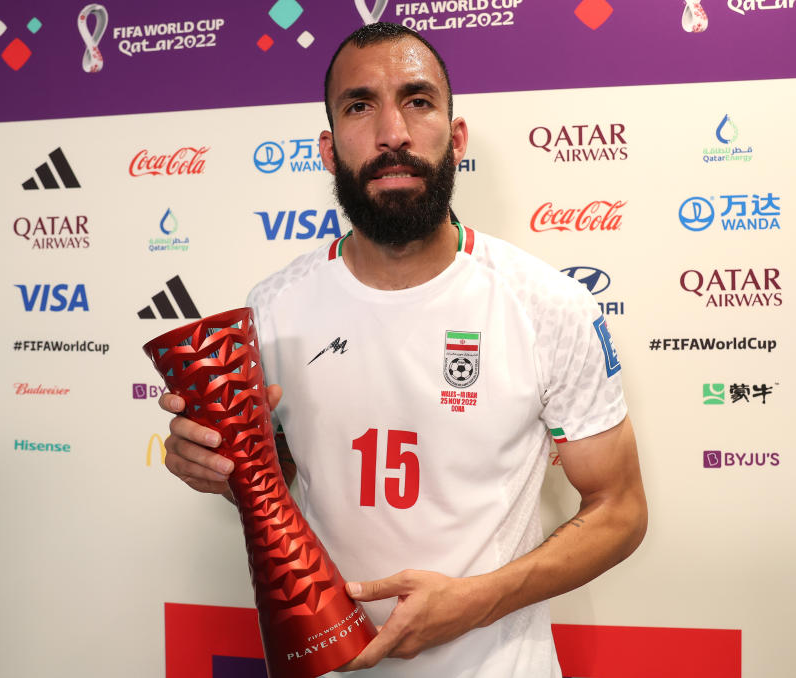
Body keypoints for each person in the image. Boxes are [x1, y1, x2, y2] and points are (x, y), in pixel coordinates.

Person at [159, 22, 647, 678]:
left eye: (418, 100)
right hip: (330, 664)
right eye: (361, 106)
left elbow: (620, 509)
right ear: (330, 150)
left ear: (457, 136)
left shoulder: (548, 304)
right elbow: (272, 481)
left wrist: (470, 603)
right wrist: (218, 466)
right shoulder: (273, 309)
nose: (392, 131)